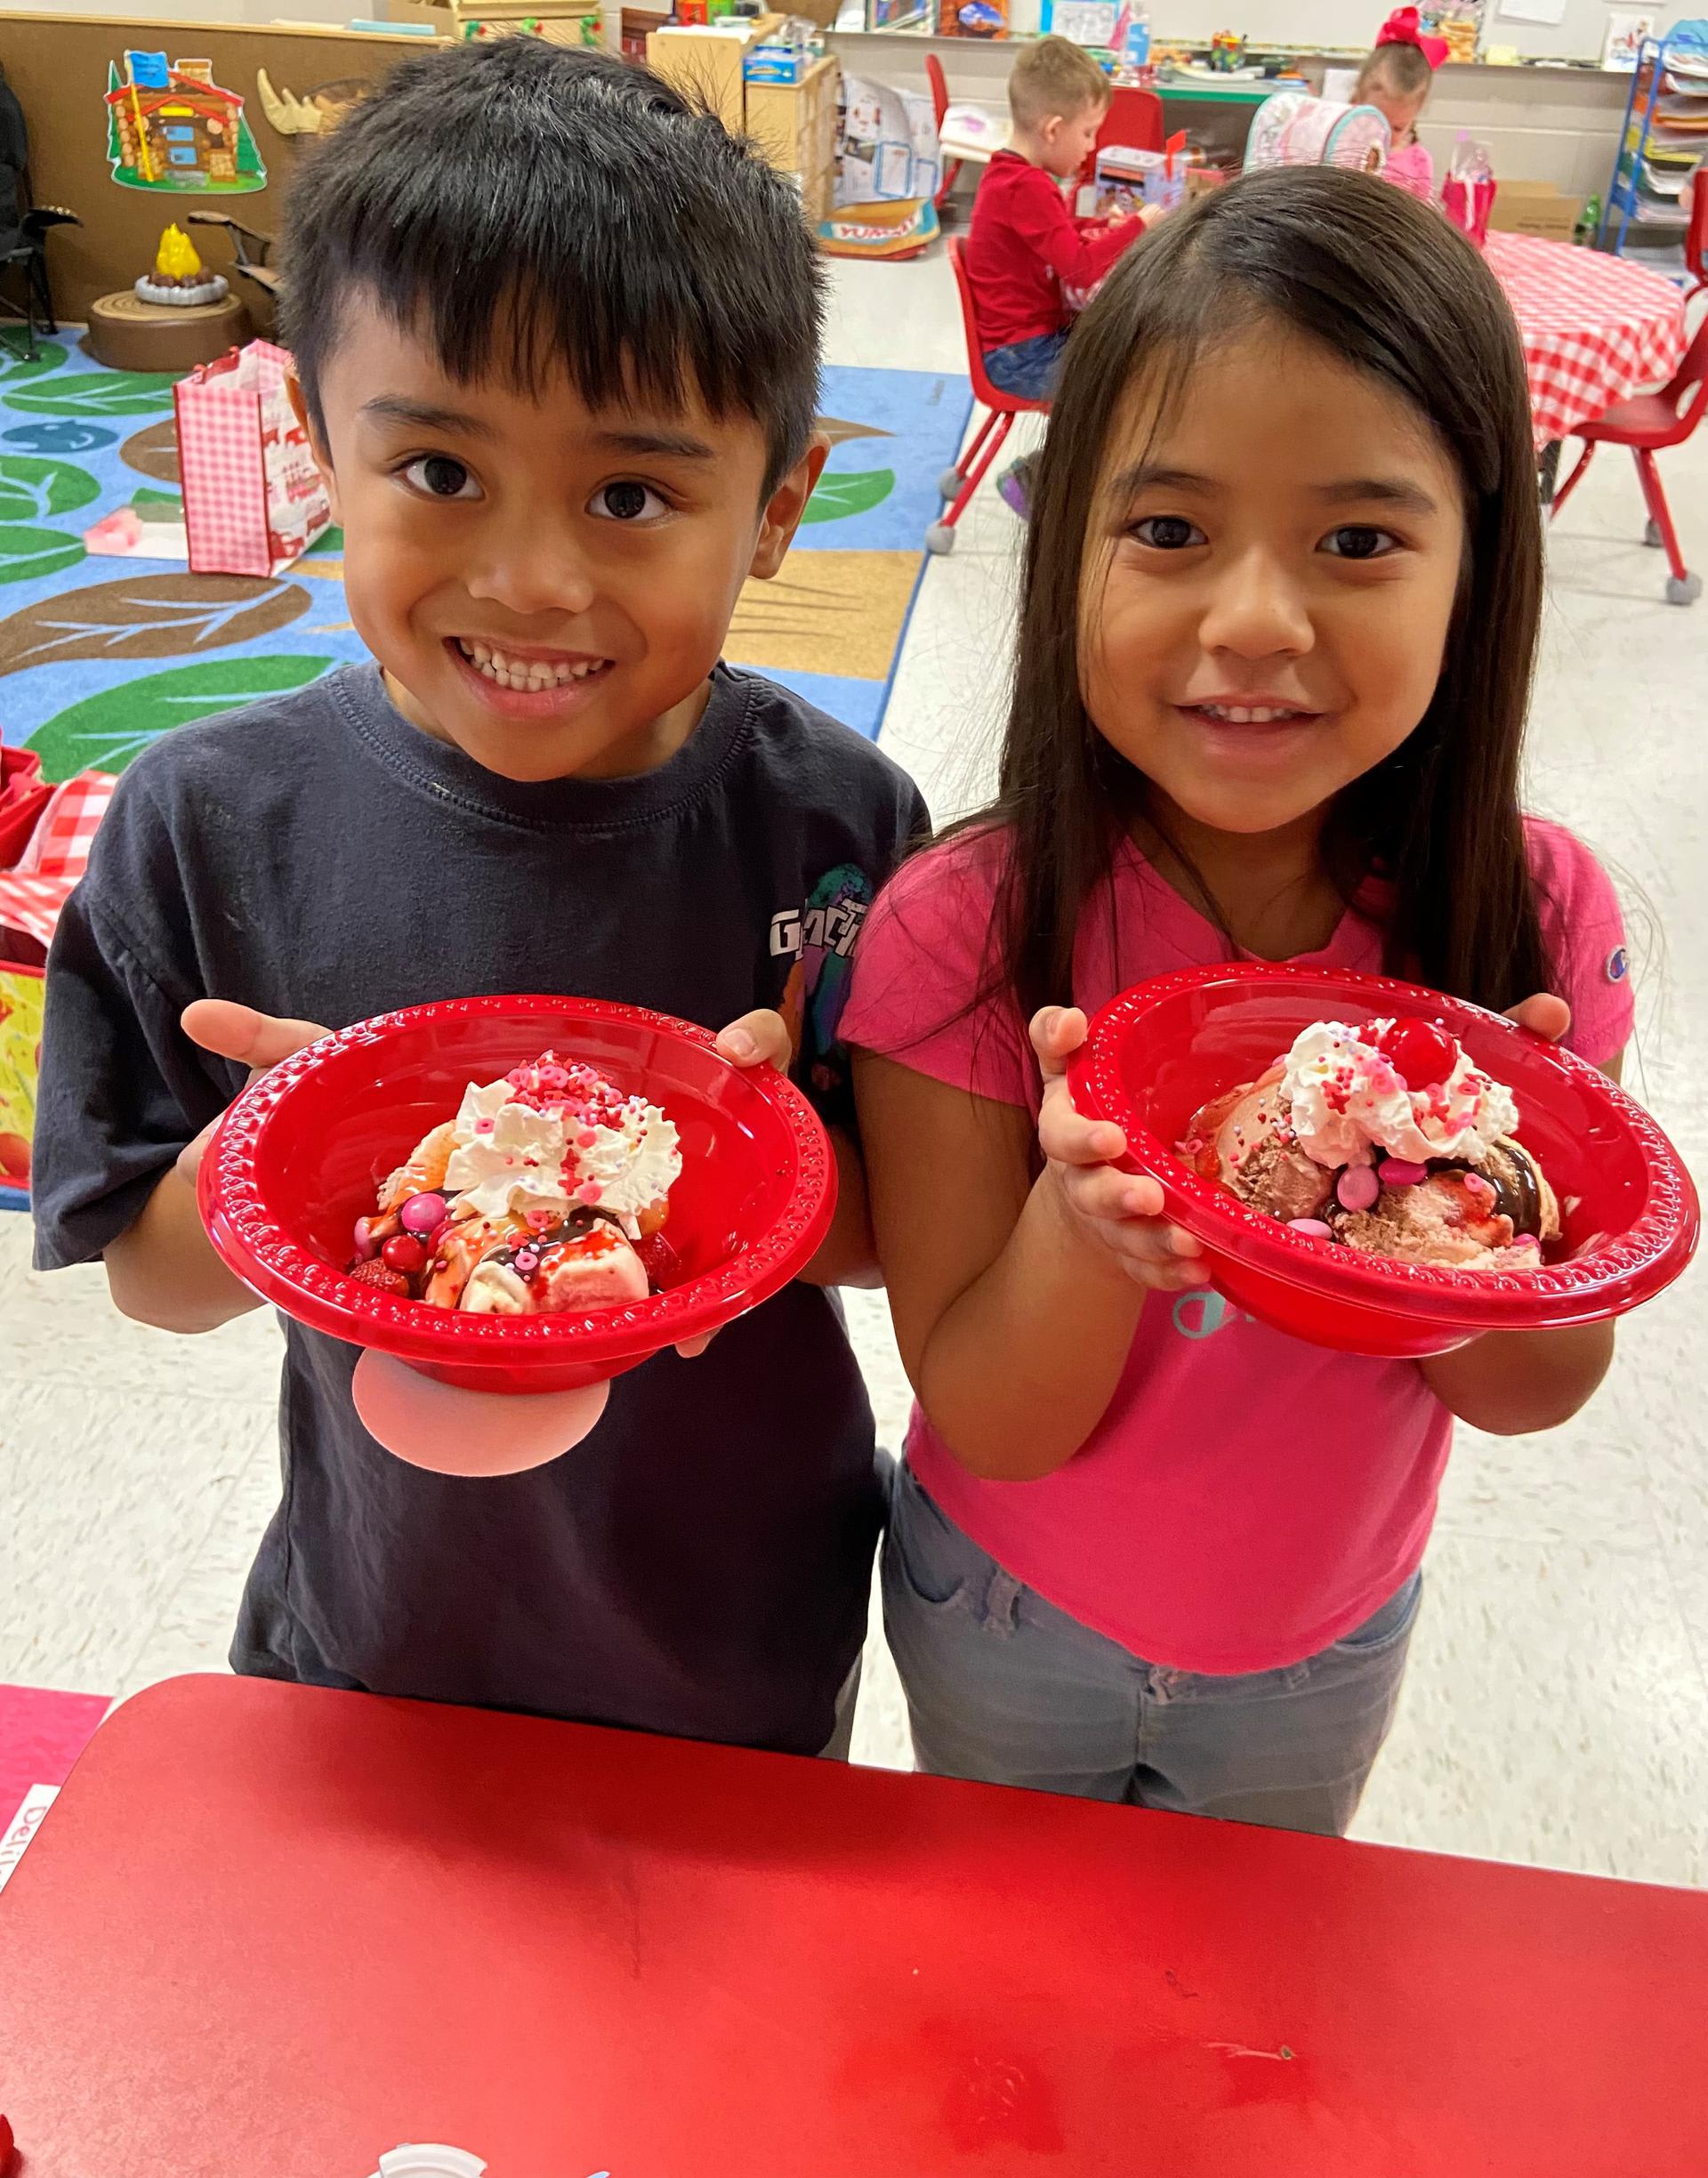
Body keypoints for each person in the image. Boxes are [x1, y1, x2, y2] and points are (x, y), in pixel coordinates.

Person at [32, 41, 928, 1759]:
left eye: (631, 494)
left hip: (733, 1638)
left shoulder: (841, 823)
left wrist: (739, 1159)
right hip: (379, 1623)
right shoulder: (207, 823)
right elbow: (149, 1274)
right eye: (441, 472)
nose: (530, 579)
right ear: (316, 449)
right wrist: (286, 1148)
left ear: (778, 508)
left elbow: (904, 1234)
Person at [842, 170, 1634, 1833]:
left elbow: (1530, 1393)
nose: (1256, 620)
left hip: (1321, 1639)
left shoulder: (1530, 920)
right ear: (1068, 551)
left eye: (1358, 541)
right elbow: (989, 1415)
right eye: (1168, 531)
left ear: (1479, 569)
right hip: (1010, 1609)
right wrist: (1084, 1225)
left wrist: (1505, 1191)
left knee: (1240, 1970)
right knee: (1004, 1947)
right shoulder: (965, 925)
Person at [967, 36, 1156, 407]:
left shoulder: (1009, 176)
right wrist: (1139, 227)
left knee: (1132, 353)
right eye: (1087, 133)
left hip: (1022, 346)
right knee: (1136, 380)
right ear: (1053, 130)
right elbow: (1081, 270)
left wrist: (1099, 228)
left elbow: (1053, 234)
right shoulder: (1027, 186)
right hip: (1022, 356)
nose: (1091, 146)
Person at [1357, 7, 1446, 204]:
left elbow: (1421, 213)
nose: (1385, 134)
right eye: (1377, 120)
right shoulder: (1343, 146)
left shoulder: (1419, 162)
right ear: (1359, 99)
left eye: (1398, 127)